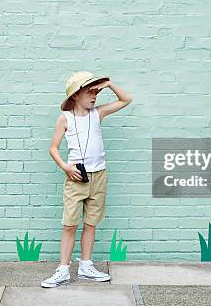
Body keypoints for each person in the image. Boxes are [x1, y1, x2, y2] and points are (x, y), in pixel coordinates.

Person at [41, 71, 132, 288]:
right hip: (76, 178)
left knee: (91, 223)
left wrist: (109, 84)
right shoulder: (65, 118)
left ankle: (86, 266)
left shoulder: (97, 113)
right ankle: (63, 270)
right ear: (75, 95)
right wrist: (65, 167)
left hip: (99, 175)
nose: (94, 96)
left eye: (96, 92)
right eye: (89, 92)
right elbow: (53, 148)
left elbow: (126, 100)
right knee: (70, 225)